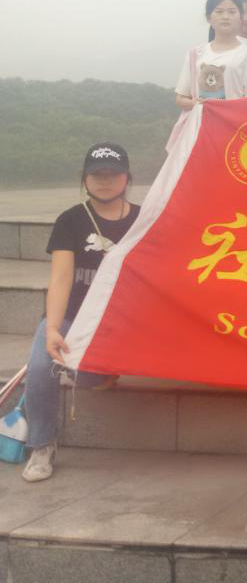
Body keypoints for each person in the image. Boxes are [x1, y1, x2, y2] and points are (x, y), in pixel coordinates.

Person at [22, 142, 141, 482]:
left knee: (91, 377)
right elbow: (61, 279)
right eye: (97, 174)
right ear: (84, 178)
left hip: (120, 321)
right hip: (74, 317)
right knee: (41, 364)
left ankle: (98, 374)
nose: (105, 180)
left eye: (113, 173)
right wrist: (52, 328)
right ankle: (41, 445)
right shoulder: (71, 220)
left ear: (127, 178)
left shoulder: (143, 218)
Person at [175, 0, 247, 108]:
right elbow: (181, 97)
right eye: (219, 11)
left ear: (240, 17)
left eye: (232, 12)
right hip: (200, 119)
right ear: (209, 18)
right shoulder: (195, 53)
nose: (225, 17)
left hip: (233, 119)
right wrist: (199, 105)